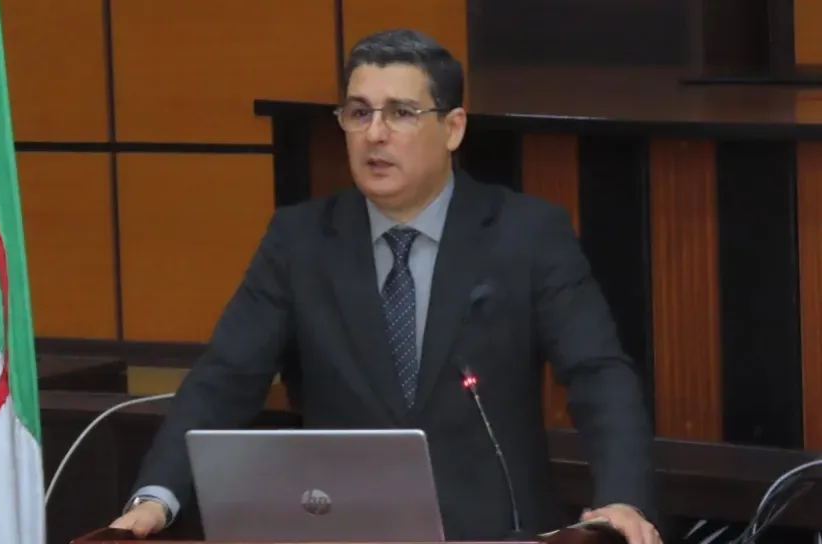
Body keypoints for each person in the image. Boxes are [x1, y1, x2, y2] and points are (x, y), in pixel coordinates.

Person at [110, 28, 661, 544]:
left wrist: (621, 498)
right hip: (343, 531)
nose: (375, 133)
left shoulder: (527, 234)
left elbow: (598, 373)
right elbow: (225, 377)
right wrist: (158, 496)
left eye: (401, 113)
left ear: (453, 128)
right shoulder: (300, 241)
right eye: (359, 113)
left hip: (496, 532)